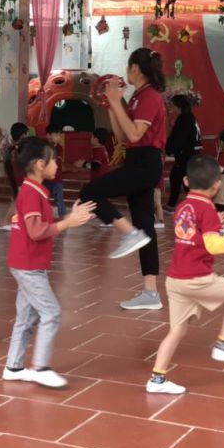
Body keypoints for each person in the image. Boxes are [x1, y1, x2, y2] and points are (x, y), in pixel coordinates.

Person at [147, 155, 224, 394]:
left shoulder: (183, 206)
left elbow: (195, 235)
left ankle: (157, 379)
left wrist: (214, 224)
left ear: (186, 181)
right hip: (196, 277)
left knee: (177, 331)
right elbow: (213, 245)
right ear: (217, 185)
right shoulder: (207, 208)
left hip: (175, 279)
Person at [3, 137, 96, 389]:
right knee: (51, 313)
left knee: (26, 317)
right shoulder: (31, 194)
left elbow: (40, 227)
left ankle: (13, 367)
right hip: (28, 267)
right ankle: (41, 368)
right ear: (40, 164)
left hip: (27, 264)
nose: (58, 165)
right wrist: (68, 222)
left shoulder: (33, 191)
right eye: (54, 160)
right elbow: (36, 231)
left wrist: (69, 218)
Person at [79, 48, 168, 311]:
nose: (126, 72)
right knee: (146, 227)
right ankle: (151, 293)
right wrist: (111, 105)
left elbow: (137, 134)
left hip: (146, 162)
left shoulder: (150, 96)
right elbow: (122, 136)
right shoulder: (138, 97)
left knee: (90, 192)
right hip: (136, 160)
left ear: (135, 68)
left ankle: (128, 233)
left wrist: (118, 102)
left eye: (128, 68)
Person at [163, 94, 202, 211]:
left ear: (178, 106)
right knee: (176, 177)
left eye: (172, 105)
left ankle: (197, 206)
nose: (171, 107)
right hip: (190, 154)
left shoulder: (184, 118)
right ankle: (172, 205)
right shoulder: (189, 117)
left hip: (186, 155)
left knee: (184, 180)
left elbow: (178, 138)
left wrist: (168, 149)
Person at [0, 122, 29, 231]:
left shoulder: (13, 149)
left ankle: (16, 222)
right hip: (20, 180)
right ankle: (5, 222)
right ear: (23, 135)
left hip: (17, 180)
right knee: (17, 201)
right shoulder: (19, 149)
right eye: (27, 134)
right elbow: (20, 168)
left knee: (18, 201)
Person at [43, 124, 68, 219]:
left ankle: (63, 217)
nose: (59, 137)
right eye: (56, 135)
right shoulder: (42, 146)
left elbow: (57, 161)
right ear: (48, 135)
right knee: (43, 198)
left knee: (59, 199)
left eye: (59, 135)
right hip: (44, 179)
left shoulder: (59, 148)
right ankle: (44, 216)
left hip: (57, 178)